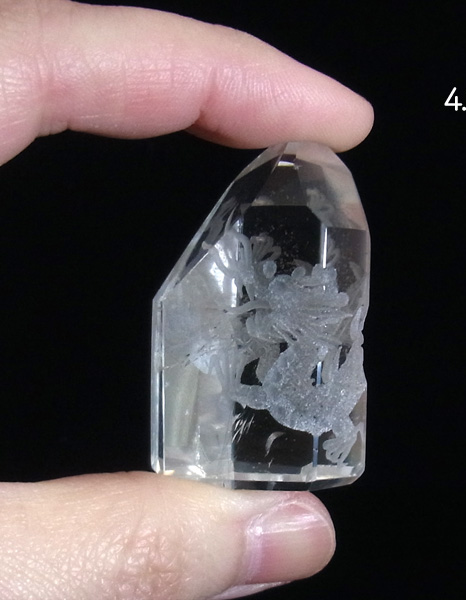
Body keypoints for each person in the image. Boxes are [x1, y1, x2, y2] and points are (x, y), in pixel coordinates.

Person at [0, 1, 373, 598]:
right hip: (249, 429)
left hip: (298, 418)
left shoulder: (306, 337)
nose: (323, 286)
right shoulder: (270, 318)